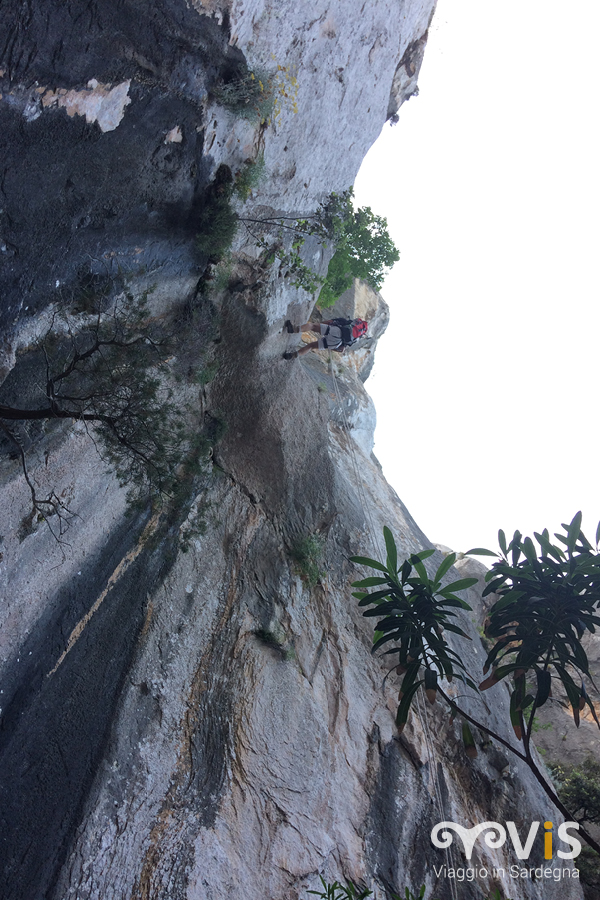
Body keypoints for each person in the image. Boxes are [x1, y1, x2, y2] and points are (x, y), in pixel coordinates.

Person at [283, 317, 368, 359]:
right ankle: (292, 355)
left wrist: (320, 324)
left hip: (336, 332)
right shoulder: (355, 339)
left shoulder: (348, 322)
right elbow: (342, 349)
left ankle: (292, 329)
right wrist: (331, 347)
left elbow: (331, 322)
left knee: (312, 326)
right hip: (335, 343)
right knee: (311, 346)